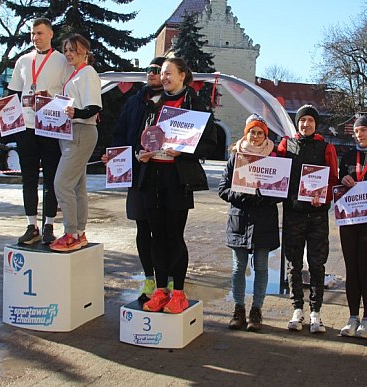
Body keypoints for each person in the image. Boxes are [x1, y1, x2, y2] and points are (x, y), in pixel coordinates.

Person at [139, 57, 217, 314]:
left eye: (169, 73)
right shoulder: (154, 104)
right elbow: (145, 137)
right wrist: (143, 154)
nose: (164, 77)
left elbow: (210, 143)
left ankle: (179, 293)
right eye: (162, 73)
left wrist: (182, 152)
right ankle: (161, 291)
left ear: (183, 75)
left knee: (174, 236)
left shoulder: (195, 103)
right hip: (152, 176)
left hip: (177, 180)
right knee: (156, 237)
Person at [104, 57, 166, 302]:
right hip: (138, 173)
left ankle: (167, 278)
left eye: (157, 70)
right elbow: (120, 131)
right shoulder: (134, 101)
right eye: (149, 70)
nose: (151, 74)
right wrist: (113, 153)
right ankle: (149, 278)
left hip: (163, 174)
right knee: (143, 227)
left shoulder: (173, 102)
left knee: (165, 230)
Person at [8, 17, 72, 245]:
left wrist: (51, 101)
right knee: (28, 178)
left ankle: (48, 225)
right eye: (33, 34)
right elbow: (14, 94)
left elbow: (69, 93)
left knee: (51, 179)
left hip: (50, 127)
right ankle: (30, 225)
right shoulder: (23, 61)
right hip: (26, 127)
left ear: (51, 34)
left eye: (40, 33)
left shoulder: (63, 61)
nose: (36, 37)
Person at [277, 104, 339, 334]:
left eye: (310, 121)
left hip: (317, 215)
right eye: (302, 121)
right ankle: (296, 309)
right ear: (297, 123)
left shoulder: (325, 147)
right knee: (293, 263)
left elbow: (332, 178)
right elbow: (275, 169)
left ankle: (316, 312)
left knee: (317, 264)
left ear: (316, 124)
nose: (306, 124)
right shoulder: (286, 144)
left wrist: (322, 199)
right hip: (293, 212)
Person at [218, 114, 279, 332]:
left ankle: (256, 310)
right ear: (246, 133)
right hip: (239, 219)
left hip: (264, 221)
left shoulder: (274, 158)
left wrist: (264, 195)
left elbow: (281, 189)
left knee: (261, 267)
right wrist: (241, 194)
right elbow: (223, 189)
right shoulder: (235, 157)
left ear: (265, 135)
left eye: (259, 132)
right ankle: (239, 309)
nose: (255, 136)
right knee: (238, 268)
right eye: (252, 132)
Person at [48, 34, 102, 252]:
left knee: (62, 184)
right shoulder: (76, 74)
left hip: (81, 130)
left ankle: (71, 232)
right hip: (72, 132)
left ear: (84, 51)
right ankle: (79, 232)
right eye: (67, 50)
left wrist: (75, 112)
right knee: (77, 185)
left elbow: (94, 107)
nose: (69, 53)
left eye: (74, 49)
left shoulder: (87, 73)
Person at [336, 115, 367, 338]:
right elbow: (338, 183)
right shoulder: (347, 155)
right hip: (350, 221)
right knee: (351, 269)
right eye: (356, 131)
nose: (360, 135)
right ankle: (352, 316)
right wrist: (344, 178)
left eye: (364, 130)